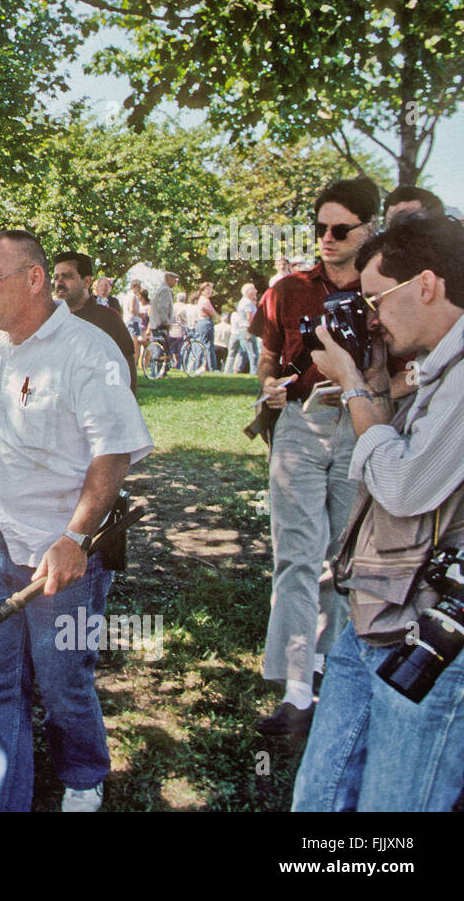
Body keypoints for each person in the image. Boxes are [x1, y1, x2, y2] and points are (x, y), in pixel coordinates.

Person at [0, 230, 152, 812]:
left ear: (34, 279)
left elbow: (111, 454)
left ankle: (83, 775)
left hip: (62, 551)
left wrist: (75, 537)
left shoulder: (88, 350)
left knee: (62, 679)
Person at [294, 212, 464, 810]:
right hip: (377, 613)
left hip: (432, 633)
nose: (370, 318)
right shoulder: (439, 372)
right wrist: (370, 383)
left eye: (375, 299)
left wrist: (359, 391)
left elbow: (404, 486)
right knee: (320, 800)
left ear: (426, 284)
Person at [250, 177, 380, 734]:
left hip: (362, 422)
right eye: (320, 228)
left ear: (369, 229)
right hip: (301, 425)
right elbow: (267, 357)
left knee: (342, 554)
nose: (327, 238)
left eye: (340, 229)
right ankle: (298, 689)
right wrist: (269, 389)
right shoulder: (287, 288)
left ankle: (329, 662)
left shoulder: (386, 288)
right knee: (297, 554)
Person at [51, 251, 137, 392]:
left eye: (66, 276)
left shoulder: (108, 319)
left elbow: (126, 368)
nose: (59, 282)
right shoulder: (50, 318)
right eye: (56, 277)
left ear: (87, 282)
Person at [224, 283, 259, 374]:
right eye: (253, 289)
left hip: (244, 329)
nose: (256, 291)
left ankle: (238, 370)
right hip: (248, 329)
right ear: (248, 292)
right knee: (253, 354)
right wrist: (251, 330)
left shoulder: (245, 301)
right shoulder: (247, 302)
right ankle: (254, 373)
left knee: (243, 352)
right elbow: (249, 318)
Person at [190, 282, 218, 372]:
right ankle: (211, 367)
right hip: (205, 322)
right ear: (202, 291)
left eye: (210, 290)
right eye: (207, 290)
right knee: (208, 346)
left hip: (201, 323)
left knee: (201, 345)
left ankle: (198, 366)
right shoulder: (205, 301)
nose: (210, 292)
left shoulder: (202, 300)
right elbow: (213, 314)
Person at [121, 279, 144, 361]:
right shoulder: (133, 296)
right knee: (135, 344)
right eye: (139, 286)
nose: (140, 288)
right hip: (133, 321)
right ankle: (134, 362)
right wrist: (140, 314)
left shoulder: (126, 296)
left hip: (127, 320)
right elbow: (132, 309)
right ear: (135, 286)